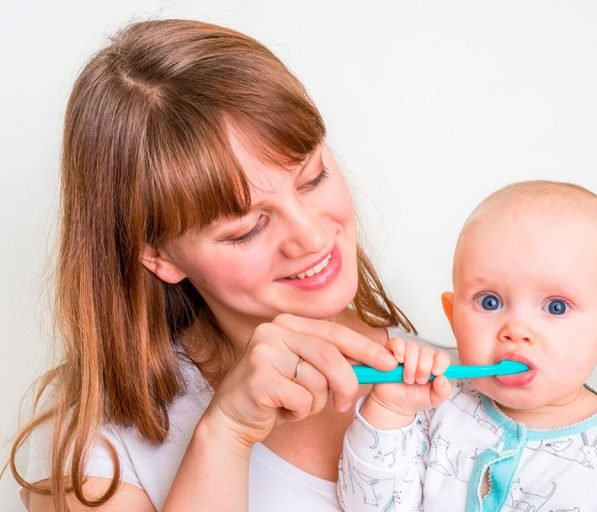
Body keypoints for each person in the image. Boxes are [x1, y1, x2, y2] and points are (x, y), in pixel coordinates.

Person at [5, 18, 450, 512]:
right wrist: (226, 433)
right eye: (247, 229)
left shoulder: (464, 384)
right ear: (158, 254)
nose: (310, 236)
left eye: (313, 177)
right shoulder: (98, 451)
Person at [338, 181, 597, 511]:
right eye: (489, 302)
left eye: (556, 307)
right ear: (453, 317)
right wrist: (389, 411)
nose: (516, 330)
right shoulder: (430, 407)